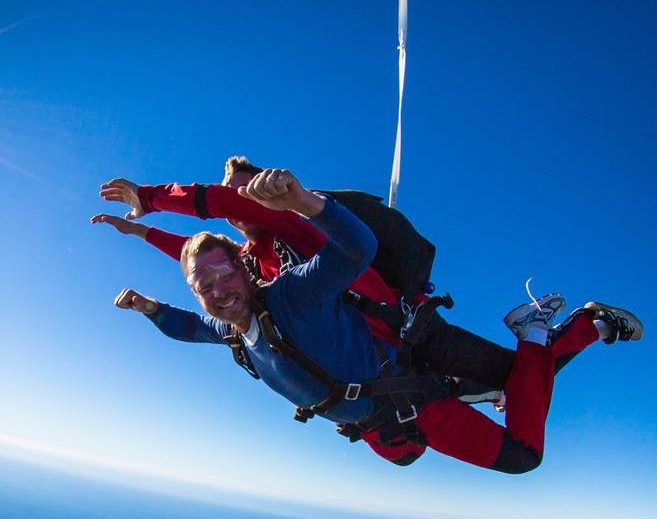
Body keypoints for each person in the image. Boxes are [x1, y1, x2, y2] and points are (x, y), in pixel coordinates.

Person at [111, 169, 642, 472]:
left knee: (522, 391)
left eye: (246, 192)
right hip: (385, 381)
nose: (220, 290)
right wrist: (149, 282)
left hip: (411, 339)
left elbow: (349, 247)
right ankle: (569, 333)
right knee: (516, 385)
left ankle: (567, 327)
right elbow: (204, 280)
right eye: (207, 288)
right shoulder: (249, 277)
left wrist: (152, 200)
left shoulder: (286, 249)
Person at [92, 159, 564, 398]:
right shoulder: (252, 259)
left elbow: (219, 203)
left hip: (410, 329)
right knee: (433, 419)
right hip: (381, 353)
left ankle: (579, 326)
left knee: (522, 376)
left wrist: (150, 197)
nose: (237, 205)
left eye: (245, 192)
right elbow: (199, 261)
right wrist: (140, 232)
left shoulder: (290, 221)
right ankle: (495, 376)